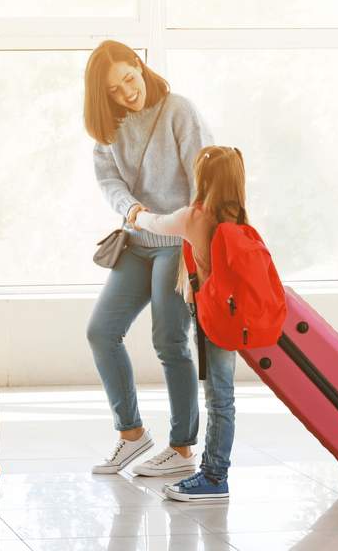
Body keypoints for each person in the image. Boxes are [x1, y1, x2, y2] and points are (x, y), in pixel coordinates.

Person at [84, 40, 213, 477]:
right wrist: (132, 210)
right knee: (101, 332)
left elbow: (203, 178)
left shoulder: (179, 110)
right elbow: (108, 181)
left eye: (129, 79)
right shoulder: (110, 127)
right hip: (136, 241)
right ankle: (132, 435)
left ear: (139, 65)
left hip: (177, 245)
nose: (127, 93)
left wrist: (195, 244)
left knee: (169, 342)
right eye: (115, 91)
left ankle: (181, 449)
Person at [135, 145, 250, 501]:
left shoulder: (194, 216)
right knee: (223, 396)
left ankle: (215, 477)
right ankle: (213, 473)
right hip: (234, 315)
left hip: (212, 317)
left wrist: (136, 214)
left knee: (218, 397)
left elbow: (154, 224)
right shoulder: (240, 219)